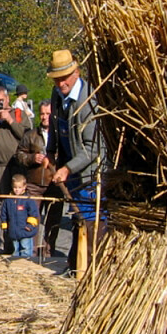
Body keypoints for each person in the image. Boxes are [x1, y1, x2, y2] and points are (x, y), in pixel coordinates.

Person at [45, 49, 105, 273]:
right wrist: (50, 153)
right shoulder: (56, 95)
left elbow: (93, 149)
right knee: (77, 219)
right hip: (69, 166)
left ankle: (91, 270)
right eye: (57, 79)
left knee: (91, 220)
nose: (61, 83)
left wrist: (67, 169)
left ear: (76, 73)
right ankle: (76, 264)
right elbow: (53, 126)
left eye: (64, 78)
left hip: (90, 172)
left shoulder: (88, 101)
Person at [0, 85, 31, 250]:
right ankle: (6, 243)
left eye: (1, 100)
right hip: (1, 166)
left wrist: (9, 119)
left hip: (18, 165)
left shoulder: (18, 114)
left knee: (20, 203)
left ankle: (22, 243)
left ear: (7, 99)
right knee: (4, 205)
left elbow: (26, 135)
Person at [15, 99, 59, 256]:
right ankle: (30, 252)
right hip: (34, 183)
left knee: (53, 220)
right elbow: (19, 154)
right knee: (33, 219)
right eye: (42, 114)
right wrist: (32, 158)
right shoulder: (31, 135)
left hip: (54, 183)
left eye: (48, 113)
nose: (45, 117)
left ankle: (48, 252)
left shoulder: (61, 135)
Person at [0, 174, 40, 258]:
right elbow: (3, 213)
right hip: (13, 231)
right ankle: (17, 266)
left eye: (19, 187)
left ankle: (26, 264)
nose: (17, 190)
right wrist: (5, 226)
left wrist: (30, 226)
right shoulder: (8, 200)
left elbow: (34, 214)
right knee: (15, 250)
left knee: (26, 249)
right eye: (15, 187)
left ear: (24, 187)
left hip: (25, 231)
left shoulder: (28, 200)